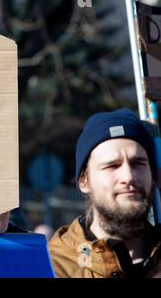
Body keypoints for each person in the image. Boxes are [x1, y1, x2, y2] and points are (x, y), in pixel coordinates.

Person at [49, 108, 161, 278]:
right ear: (84, 181)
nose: (128, 176)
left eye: (139, 163)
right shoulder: (52, 268)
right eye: (112, 166)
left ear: (153, 176)